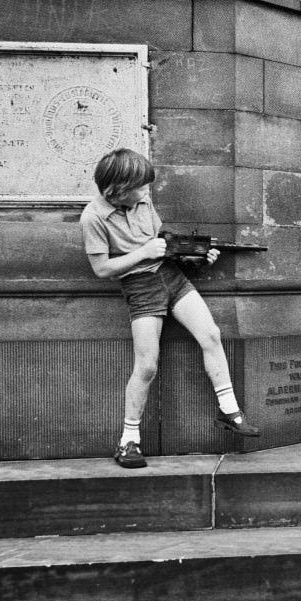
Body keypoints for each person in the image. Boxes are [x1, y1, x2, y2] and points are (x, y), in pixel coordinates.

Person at [79, 149, 259, 469]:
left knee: (211, 335)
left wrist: (196, 258)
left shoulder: (143, 201)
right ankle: (128, 441)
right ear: (118, 189)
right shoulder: (92, 217)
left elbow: (162, 241)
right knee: (147, 365)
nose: (147, 191)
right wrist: (143, 252)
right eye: (141, 187)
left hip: (171, 276)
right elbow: (103, 269)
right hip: (140, 287)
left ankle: (229, 410)